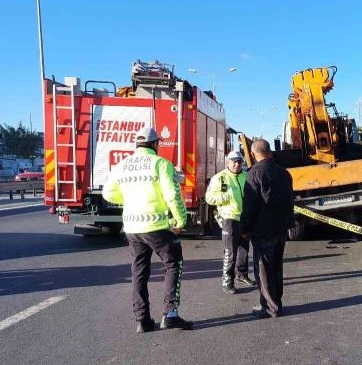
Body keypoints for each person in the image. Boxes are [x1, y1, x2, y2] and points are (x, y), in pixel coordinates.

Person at [102, 127, 192, 332]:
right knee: (173, 264)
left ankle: (142, 320)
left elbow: (108, 193)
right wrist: (180, 220)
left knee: (139, 273)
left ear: (137, 144)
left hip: (132, 227)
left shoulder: (122, 165)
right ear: (155, 144)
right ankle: (170, 314)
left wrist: (129, 199)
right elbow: (172, 194)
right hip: (157, 226)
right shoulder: (161, 164)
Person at [241, 139, 294, 319]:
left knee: (263, 269)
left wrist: (244, 229)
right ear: (270, 153)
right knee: (277, 267)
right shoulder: (284, 173)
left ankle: (270, 307)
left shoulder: (253, 174)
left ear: (254, 155)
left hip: (263, 230)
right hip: (281, 229)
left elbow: (249, 207)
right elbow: (290, 201)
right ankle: (276, 301)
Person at [206, 150, 256, 295]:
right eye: (233, 162)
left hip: (244, 218)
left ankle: (242, 274)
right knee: (230, 252)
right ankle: (227, 281)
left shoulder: (246, 176)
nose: (236, 164)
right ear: (227, 162)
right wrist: (225, 197)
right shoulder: (219, 178)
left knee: (244, 249)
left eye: (239, 162)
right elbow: (209, 198)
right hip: (229, 218)